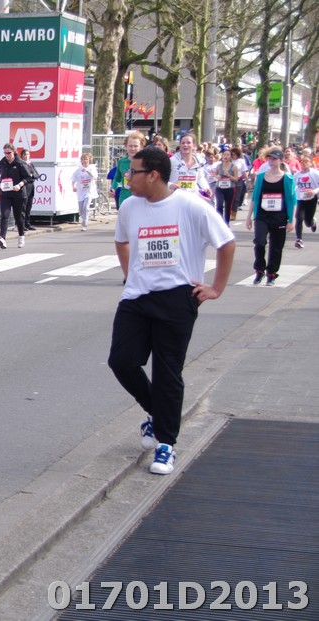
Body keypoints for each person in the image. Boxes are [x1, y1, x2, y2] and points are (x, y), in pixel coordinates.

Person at [108, 146, 235, 476]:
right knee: (121, 361)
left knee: (167, 372)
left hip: (178, 297)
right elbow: (121, 241)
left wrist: (216, 287)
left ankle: (166, 444)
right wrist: (130, 274)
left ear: (153, 175)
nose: (128, 177)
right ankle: (158, 413)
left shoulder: (190, 206)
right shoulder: (129, 207)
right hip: (137, 297)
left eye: (133, 171)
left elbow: (226, 242)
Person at [246, 148, 296, 285]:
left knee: (276, 246)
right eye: (269, 158)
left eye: (274, 158)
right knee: (259, 242)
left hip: (279, 216)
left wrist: (291, 220)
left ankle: (271, 273)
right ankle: (259, 270)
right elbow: (255, 197)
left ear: (281, 160)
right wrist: (249, 217)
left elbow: (292, 200)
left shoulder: (287, 178)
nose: (271, 161)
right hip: (262, 215)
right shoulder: (261, 176)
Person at [0, 143, 34, 248]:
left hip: (18, 194)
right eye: (5, 153)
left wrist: (20, 185)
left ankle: (21, 236)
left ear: (14, 152)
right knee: (5, 215)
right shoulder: (2, 163)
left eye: (9, 153)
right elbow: (2, 178)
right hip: (5, 193)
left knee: (18, 217)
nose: (7, 155)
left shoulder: (20, 163)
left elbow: (28, 178)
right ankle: (2, 238)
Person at [168, 133, 210, 198]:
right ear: (180, 145)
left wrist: (206, 188)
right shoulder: (172, 161)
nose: (185, 145)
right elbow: (163, 179)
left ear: (194, 146)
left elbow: (200, 177)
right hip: (175, 197)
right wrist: (170, 185)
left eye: (188, 143)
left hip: (193, 197)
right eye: (183, 143)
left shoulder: (199, 161)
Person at [111, 131, 146, 209]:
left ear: (141, 147)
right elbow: (117, 178)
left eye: (135, 146)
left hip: (140, 200)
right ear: (126, 146)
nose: (132, 149)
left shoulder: (146, 162)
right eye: (130, 146)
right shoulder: (122, 162)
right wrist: (113, 188)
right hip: (124, 199)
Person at [293, 154, 319, 249]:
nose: (303, 163)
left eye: (306, 161)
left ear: (311, 163)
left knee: (308, 222)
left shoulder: (315, 173)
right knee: (299, 218)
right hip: (300, 199)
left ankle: (312, 222)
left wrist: (314, 191)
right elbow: (293, 186)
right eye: (302, 162)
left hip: (312, 199)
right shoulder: (297, 175)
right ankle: (299, 239)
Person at [212, 148, 241, 225]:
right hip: (220, 188)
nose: (226, 156)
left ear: (230, 156)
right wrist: (217, 176)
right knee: (219, 205)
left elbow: (236, 179)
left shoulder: (234, 167)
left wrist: (229, 176)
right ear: (222, 156)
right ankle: (220, 223)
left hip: (230, 189)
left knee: (228, 207)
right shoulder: (219, 166)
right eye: (224, 155)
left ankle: (226, 223)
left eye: (228, 155)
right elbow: (215, 175)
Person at [71, 152, 98, 231]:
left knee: (86, 207)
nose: (85, 161)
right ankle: (83, 219)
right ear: (81, 160)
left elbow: (94, 176)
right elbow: (73, 178)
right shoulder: (79, 169)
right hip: (80, 191)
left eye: (86, 159)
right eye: (83, 159)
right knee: (81, 209)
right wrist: (73, 187)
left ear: (89, 160)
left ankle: (85, 224)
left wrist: (87, 171)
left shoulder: (92, 168)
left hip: (89, 191)